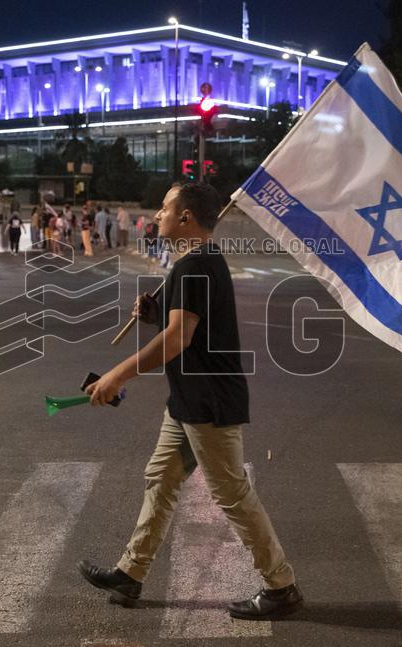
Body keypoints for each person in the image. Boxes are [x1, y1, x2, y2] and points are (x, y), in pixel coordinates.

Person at [79, 182, 301, 619]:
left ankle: (281, 586)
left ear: (185, 218)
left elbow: (180, 339)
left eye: (164, 208)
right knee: (160, 478)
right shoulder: (197, 262)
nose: (157, 215)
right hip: (189, 399)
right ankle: (131, 572)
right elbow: (189, 324)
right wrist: (156, 313)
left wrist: (117, 374)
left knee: (232, 494)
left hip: (209, 401)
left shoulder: (193, 266)